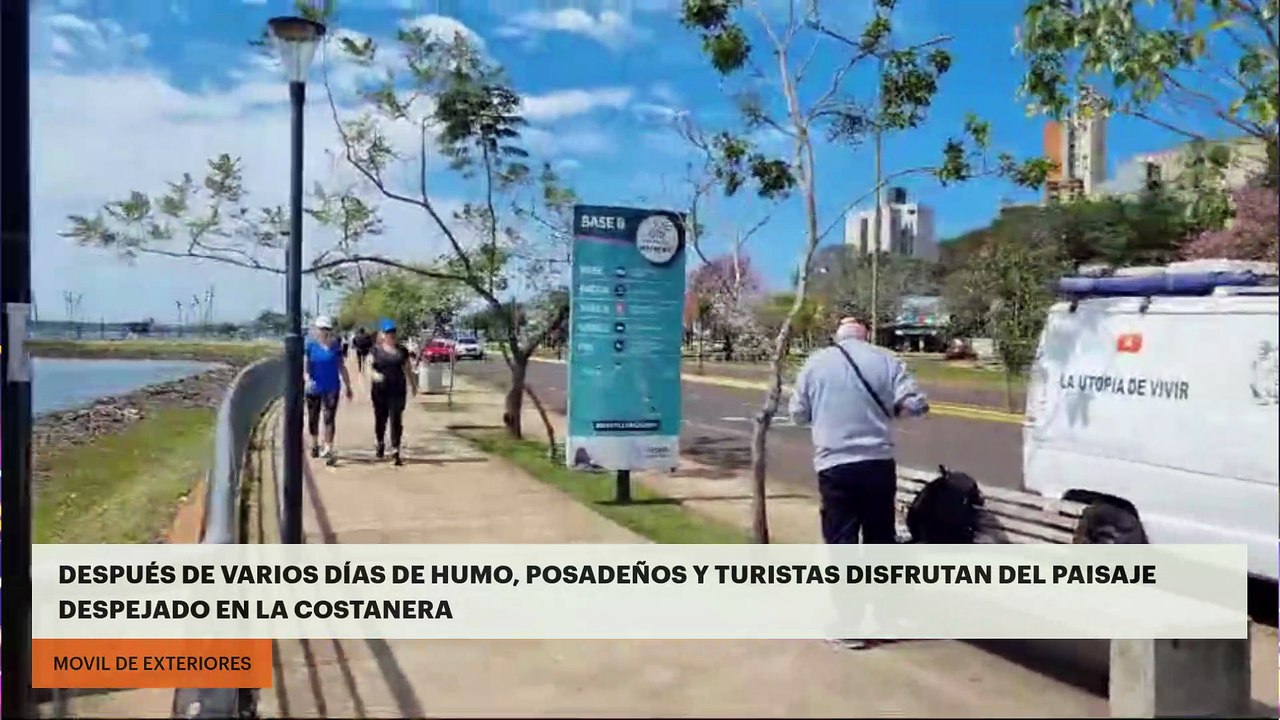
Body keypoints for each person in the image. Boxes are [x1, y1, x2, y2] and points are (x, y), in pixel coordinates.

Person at [304, 316, 354, 466]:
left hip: (332, 386)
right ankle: (314, 444)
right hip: (314, 387)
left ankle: (328, 447)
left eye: (327, 329)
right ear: (317, 330)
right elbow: (306, 366)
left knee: (329, 417)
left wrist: (348, 385)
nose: (324, 332)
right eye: (322, 329)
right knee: (313, 417)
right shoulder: (310, 346)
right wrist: (307, 379)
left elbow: (341, 367)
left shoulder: (335, 347)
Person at [368, 318, 418, 466]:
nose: (391, 335)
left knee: (396, 420)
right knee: (381, 419)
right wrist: (374, 375)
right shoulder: (375, 350)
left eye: (393, 332)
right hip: (380, 391)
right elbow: (369, 367)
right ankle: (380, 442)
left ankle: (395, 449)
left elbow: (408, 369)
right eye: (388, 332)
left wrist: (413, 385)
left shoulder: (402, 351)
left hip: (397, 390)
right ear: (382, 334)